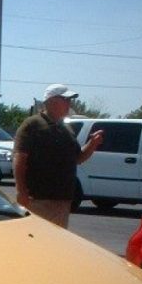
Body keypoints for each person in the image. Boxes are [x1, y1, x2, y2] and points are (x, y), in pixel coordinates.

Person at [13, 84, 104, 228]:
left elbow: (78, 158)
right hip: (38, 200)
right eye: (66, 100)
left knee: (56, 244)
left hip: (63, 200)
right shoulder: (32, 124)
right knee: (37, 242)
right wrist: (21, 191)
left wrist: (92, 143)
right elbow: (20, 159)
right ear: (52, 101)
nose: (69, 104)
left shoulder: (65, 128)